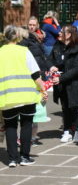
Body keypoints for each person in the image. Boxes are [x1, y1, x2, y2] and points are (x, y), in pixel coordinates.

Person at [0, 26, 45, 167]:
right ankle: (24, 157)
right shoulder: (24, 51)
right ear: (17, 37)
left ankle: (12, 159)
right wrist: (43, 89)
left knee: (10, 126)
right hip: (26, 95)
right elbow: (35, 74)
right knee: (27, 125)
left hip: (7, 97)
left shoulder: (0, 52)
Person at [52, 25, 78, 144]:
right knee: (65, 108)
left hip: (75, 83)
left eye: (62, 32)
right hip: (64, 84)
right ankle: (66, 131)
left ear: (69, 34)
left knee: (75, 107)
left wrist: (61, 78)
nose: (60, 34)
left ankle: (77, 130)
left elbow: (77, 68)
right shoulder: (59, 47)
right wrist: (53, 66)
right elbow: (59, 62)